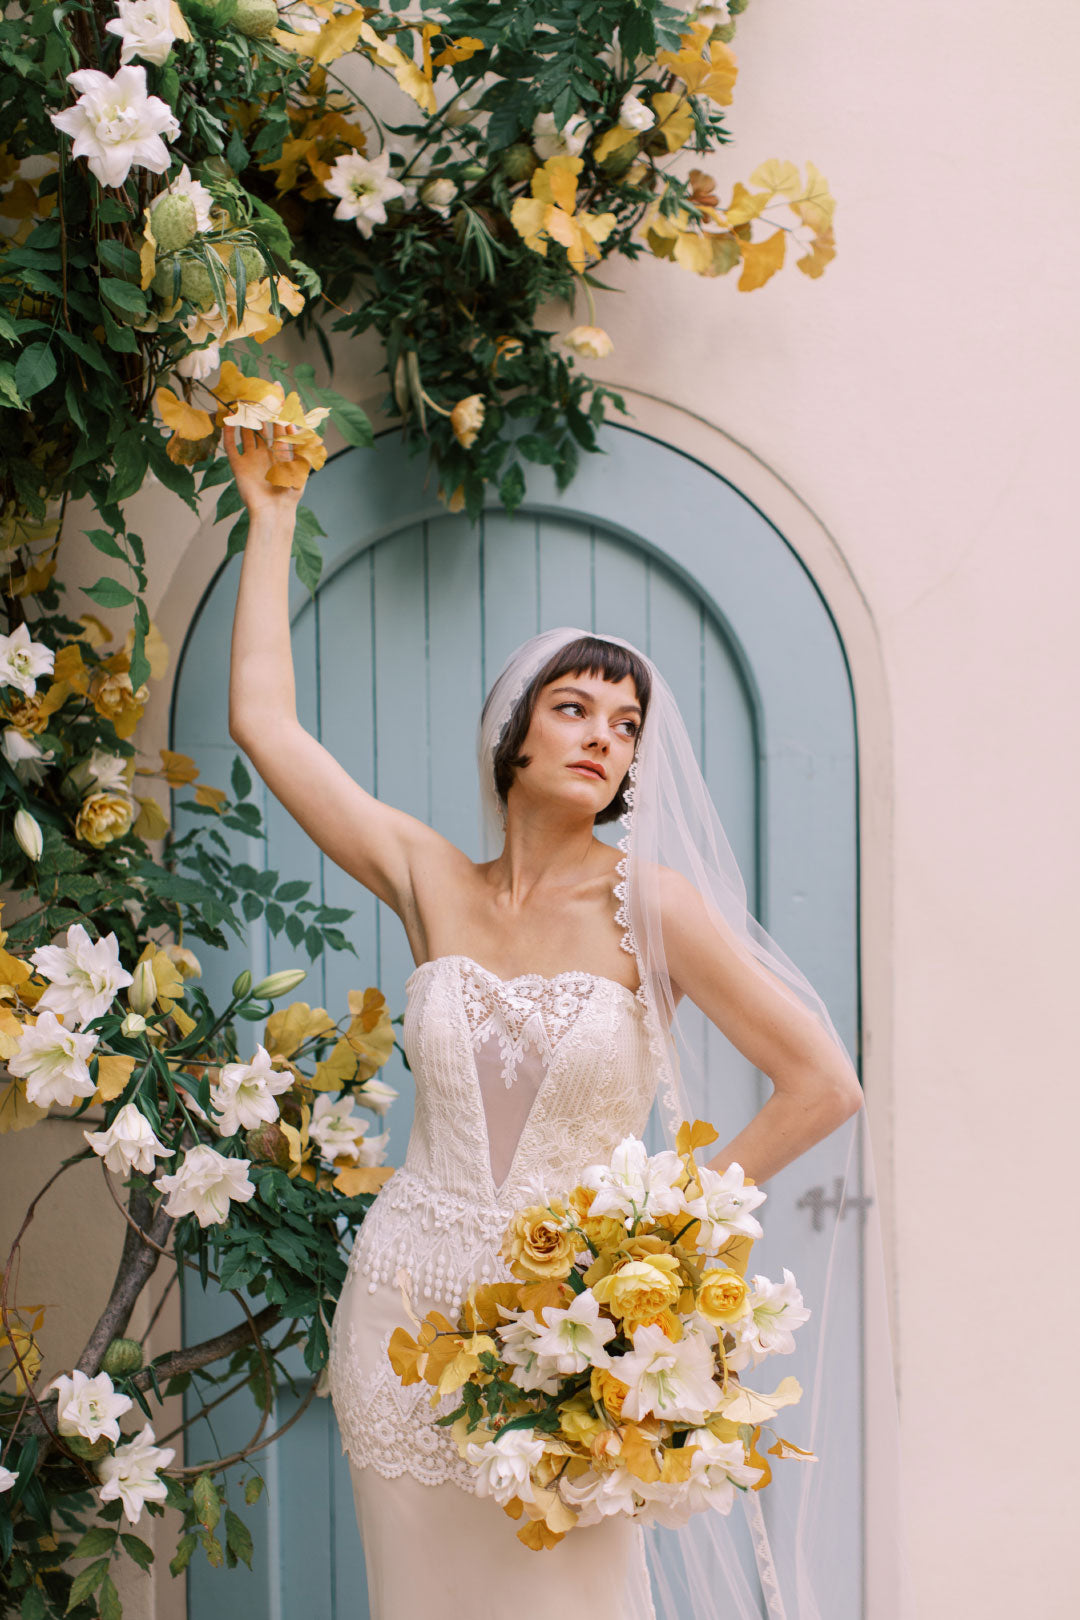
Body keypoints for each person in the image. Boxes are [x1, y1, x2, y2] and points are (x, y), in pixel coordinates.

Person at [223, 423, 915, 1620]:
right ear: (515, 733)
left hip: (570, 1344)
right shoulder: (429, 876)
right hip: (400, 1315)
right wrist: (272, 517)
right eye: (575, 707)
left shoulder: (654, 903)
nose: (605, 735)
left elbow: (822, 1083)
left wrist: (647, 1240)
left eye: (627, 722)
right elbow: (265, 729)